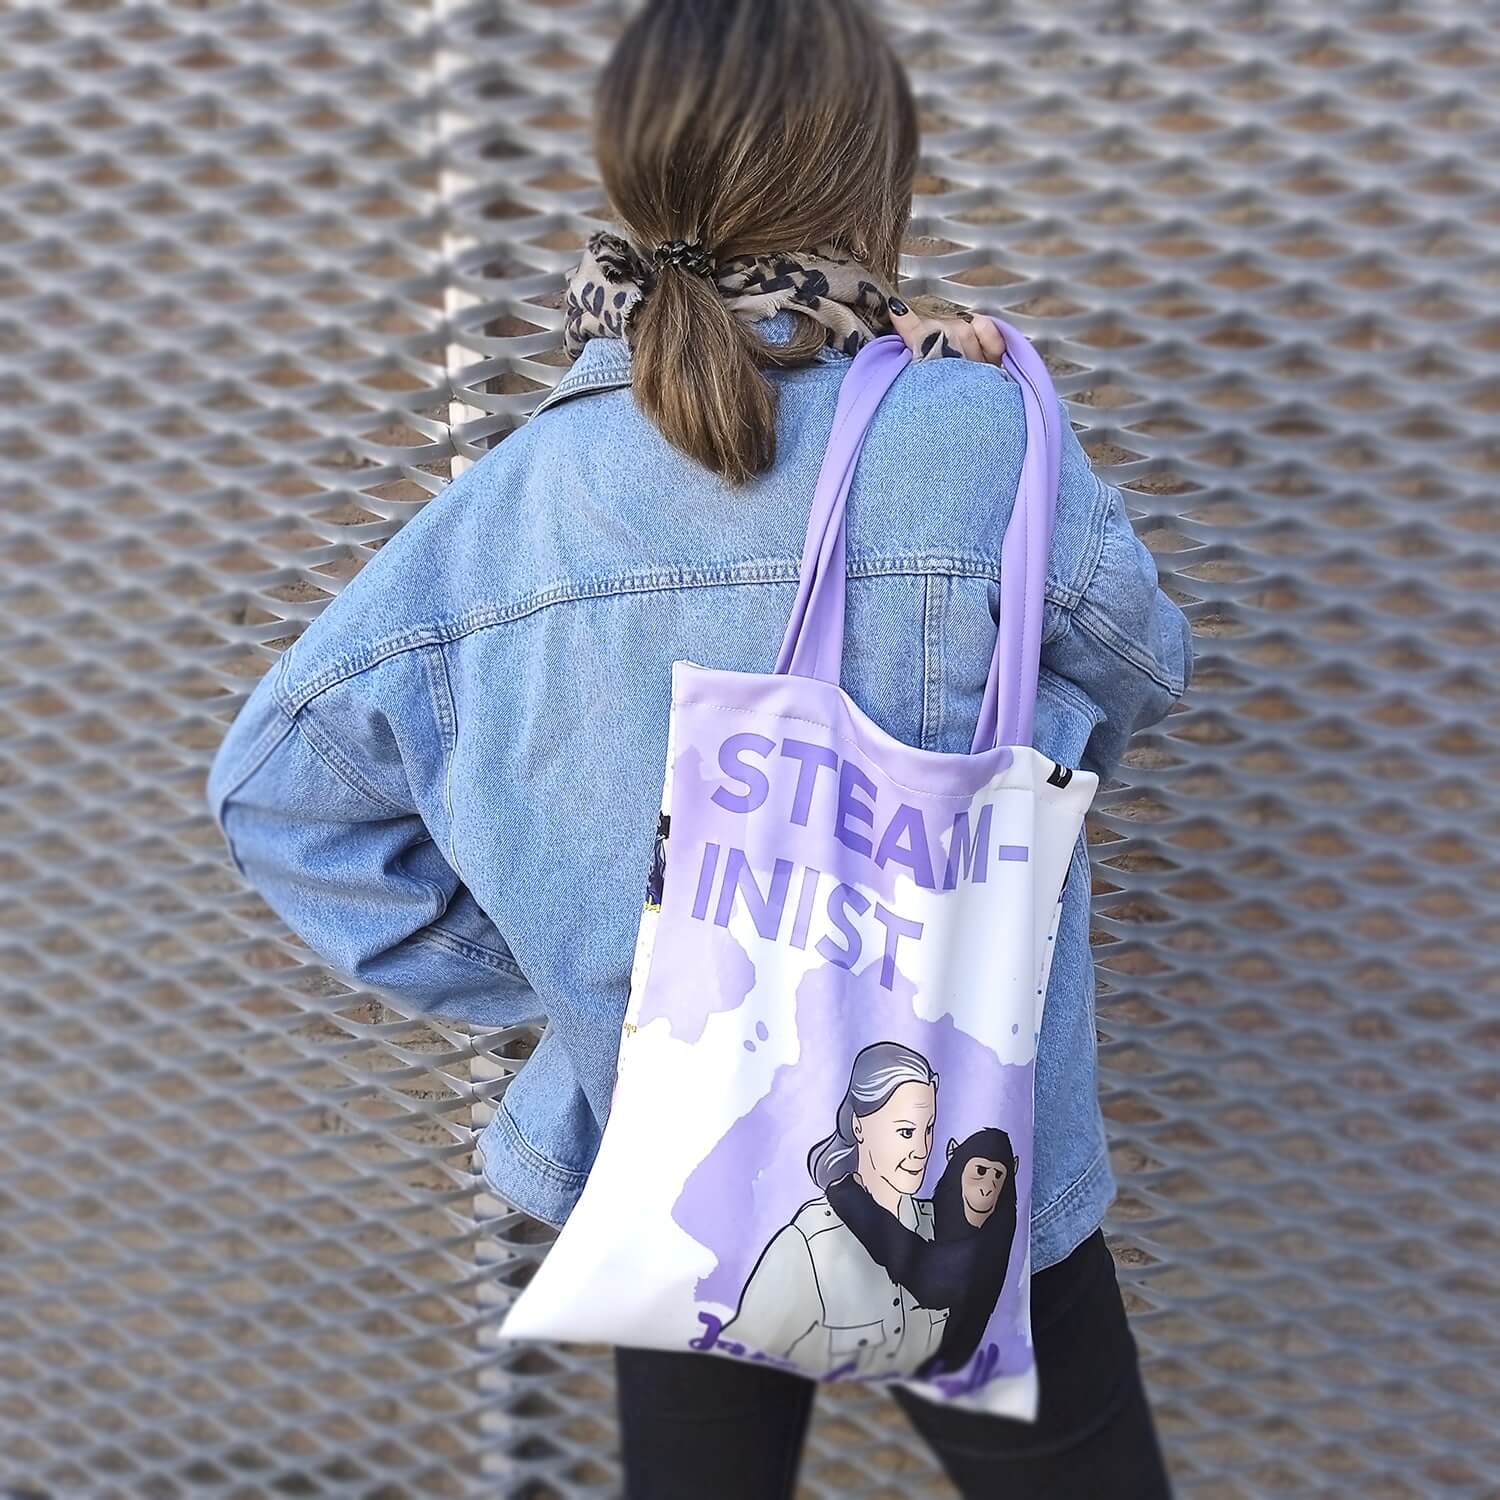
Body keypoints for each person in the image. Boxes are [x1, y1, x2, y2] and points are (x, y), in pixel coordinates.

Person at [203, 0, 1190, 1493]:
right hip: (962, 1138)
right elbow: (1134, 677)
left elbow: (277, 793)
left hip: (666, 1138)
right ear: (878, 173)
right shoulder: (980, 436)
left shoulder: (512, 505)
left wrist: (585, 972)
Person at [720, 1043, 950, 1378]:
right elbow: (736, 1365)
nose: (921, 1150)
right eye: (906, 1132)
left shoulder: (942, 1230)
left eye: (927, 1130)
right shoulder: (807, 1245)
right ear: (859, 1126)